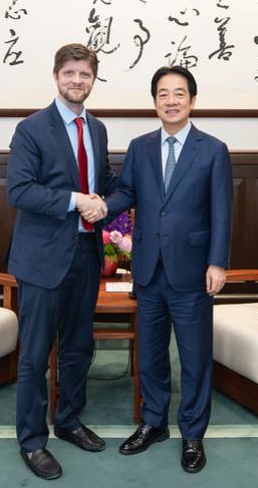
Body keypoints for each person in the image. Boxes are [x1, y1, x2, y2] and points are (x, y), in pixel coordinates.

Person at [94, 66, 232, 473]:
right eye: (163, 94)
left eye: (179, 93)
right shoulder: (140, 147)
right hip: (149, 269)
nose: (171, 101)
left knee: (194, 358)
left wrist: (218, 262)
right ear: (154, 101)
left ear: (192, 99)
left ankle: (193, 434)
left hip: (193, 270)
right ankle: (153, 422)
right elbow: (127, 193)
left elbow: (222, 211)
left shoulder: (213, 149)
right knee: (151, 355)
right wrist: (101, 207)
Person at [6, 43, 114, 480]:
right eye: (70, 73)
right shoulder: (31, 129)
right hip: (42, 260)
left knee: (78, 348)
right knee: (34, 356)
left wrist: (109, 199)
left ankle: (68, 420)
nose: (77, 81)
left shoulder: (98, 129)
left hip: (86, 256)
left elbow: (104, 182)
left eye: (85, 74)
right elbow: (19, 190)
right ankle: (32, 441)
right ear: (56, 77)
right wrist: (76, 201)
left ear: (93, 80)